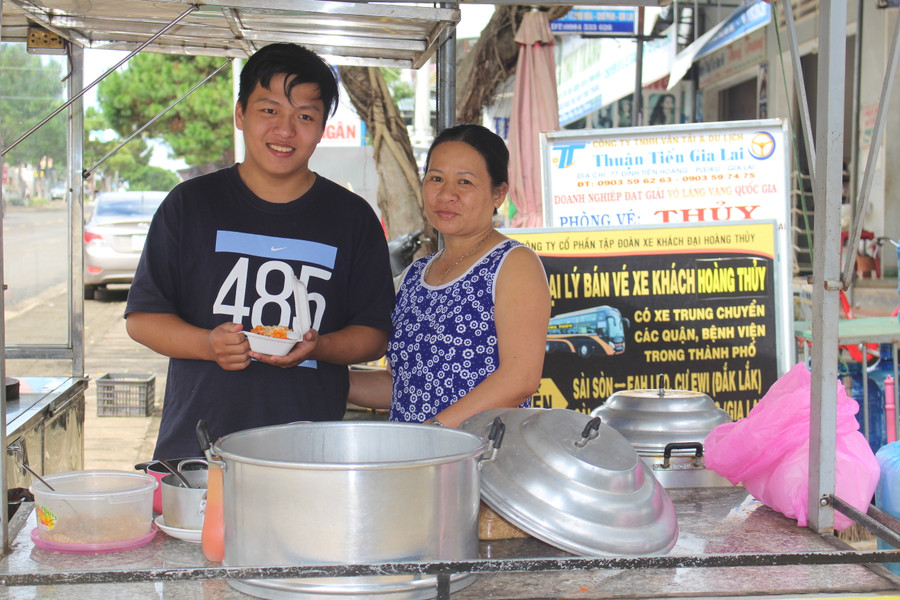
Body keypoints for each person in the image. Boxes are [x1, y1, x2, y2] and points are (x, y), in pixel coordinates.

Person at [125, 43, 395, 459]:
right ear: (240, 114)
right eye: (269, 110)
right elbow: (142, 319)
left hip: (310, 453)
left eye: (305, 116)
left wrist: (318, 346)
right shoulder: (189, 205)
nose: (285, 130)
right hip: (198, 450)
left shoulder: (352, 218)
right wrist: (208, 344)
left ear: (322, 127)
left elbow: (374, 336)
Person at [349, 124, 551, 427]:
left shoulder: (513, 264)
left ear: (499, 194)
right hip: (416, 463)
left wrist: (435, 435)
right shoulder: (414, 276)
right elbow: (402, 387)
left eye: (465, 182)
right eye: (436, 178)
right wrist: (322, 379)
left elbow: (519, 378)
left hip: (480, 462)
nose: (446, 194)